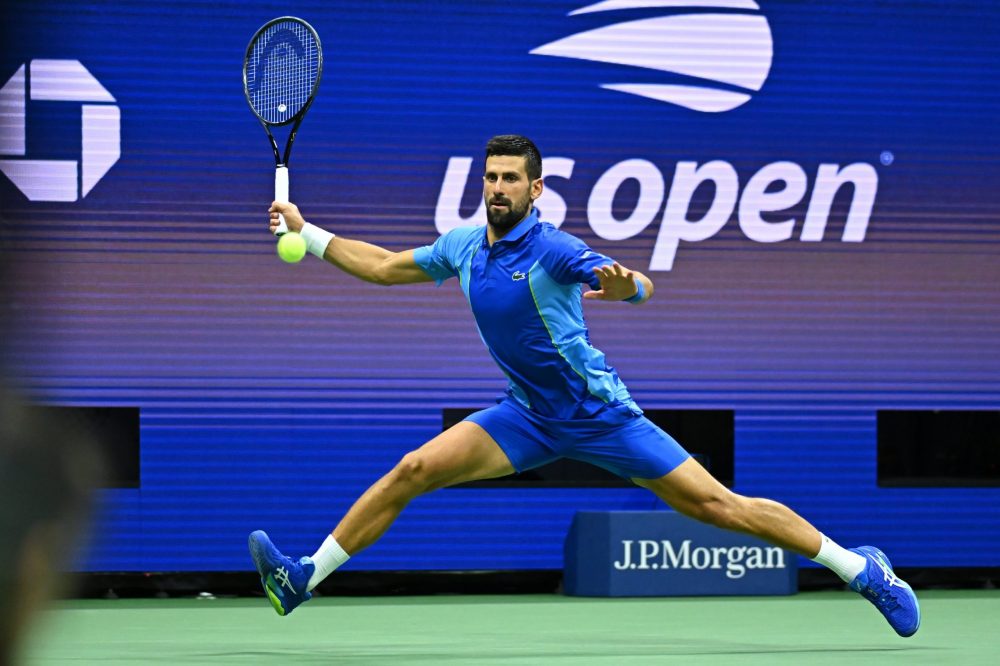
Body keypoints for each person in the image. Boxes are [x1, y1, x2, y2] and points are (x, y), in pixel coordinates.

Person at [248, 135, 920, 637]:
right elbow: (384, 266)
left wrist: (630, 290)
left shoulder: (556, 249)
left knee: (719, 506)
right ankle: (301, 577)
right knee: (413, 469)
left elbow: (636, 283)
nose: (498, 188)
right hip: (526, 416)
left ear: (535, 189)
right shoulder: (464, 246)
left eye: (511, 179)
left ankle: (862, 569)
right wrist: (310, 235)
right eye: (491, 177)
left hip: (600, 415)